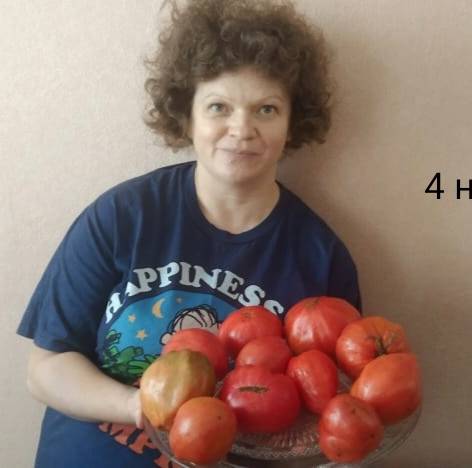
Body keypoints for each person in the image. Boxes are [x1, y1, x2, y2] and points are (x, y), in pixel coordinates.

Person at [17, 1, 361, 466]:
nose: (242, 129)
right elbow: (45, 369)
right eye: (218, 106)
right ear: (188, 116)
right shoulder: (121, 216)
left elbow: (328, 412)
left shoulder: (321, 257)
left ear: (292, 121)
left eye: (266, 108)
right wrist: (140, 407)